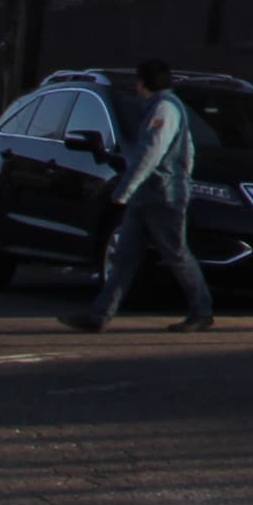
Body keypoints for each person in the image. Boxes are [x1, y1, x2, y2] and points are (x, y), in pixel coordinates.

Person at [60, 61, 215, 333]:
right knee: (124, 258)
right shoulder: (164, 108)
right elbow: (188, 149)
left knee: (176, 254)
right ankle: (99, 316)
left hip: (162, 197)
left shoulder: (165, 109)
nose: (136, 87)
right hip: (149, 195)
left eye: (138, 81)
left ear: (145, 83)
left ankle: (202, 311)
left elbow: (150, 153)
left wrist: (126, 189)